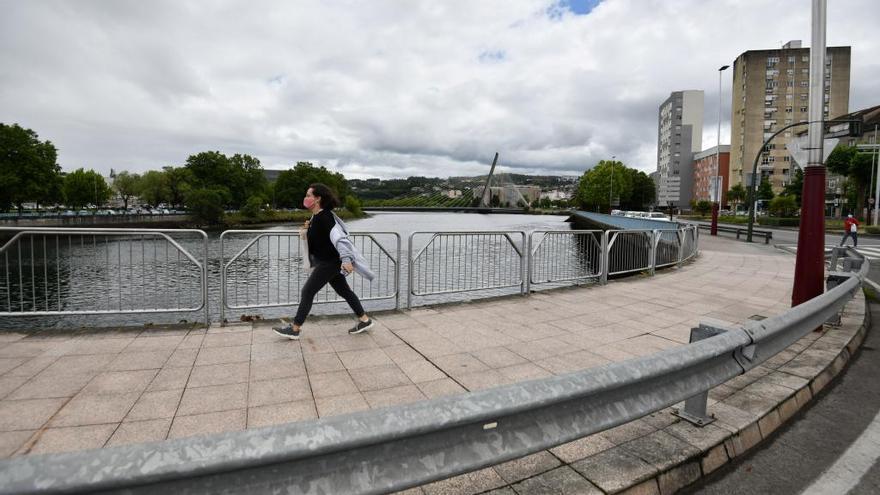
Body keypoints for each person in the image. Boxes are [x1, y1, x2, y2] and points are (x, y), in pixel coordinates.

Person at [273, 183, 375, 340]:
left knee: (307, 292)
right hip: (328, 262)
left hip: (329, 263)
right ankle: (365, 320)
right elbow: (320, 239)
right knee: (345, 291)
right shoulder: (316, 217)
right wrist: (307, 229)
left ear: (318, 198)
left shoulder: (326, 217)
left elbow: (340, 239)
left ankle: (295, 328)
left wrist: (347, 259)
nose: (305, 198)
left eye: (308, 195)